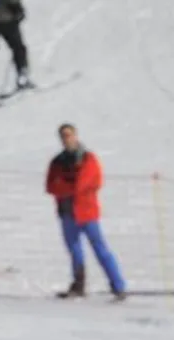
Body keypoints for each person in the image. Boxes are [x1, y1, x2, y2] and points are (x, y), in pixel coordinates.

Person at [46, 123, 127, 301]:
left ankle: (118, 286)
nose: (66, 139)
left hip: (86, 213)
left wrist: (65, 186)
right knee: (75, 251)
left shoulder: (87, 159)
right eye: (63, 136)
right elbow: (51, 185)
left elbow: (84, 184)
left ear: (75, 136)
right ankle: (78, 285)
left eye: (69, 135)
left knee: (100, 249)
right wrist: (67, 187)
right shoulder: (57, 161)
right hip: (67, 213)